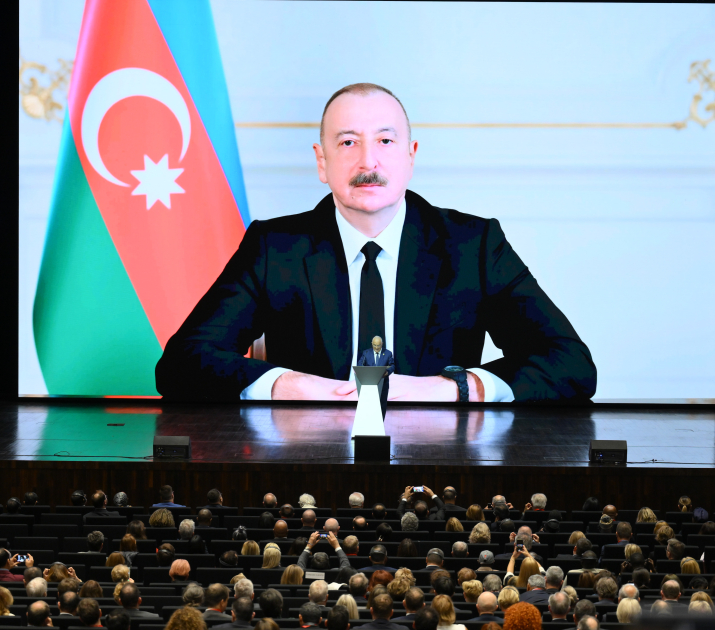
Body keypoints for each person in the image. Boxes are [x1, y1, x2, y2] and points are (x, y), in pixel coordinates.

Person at [156, 82, 596, 402]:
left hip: (441, 474)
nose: (369, 161)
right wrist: (288, 384)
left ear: (411, 155)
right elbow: (180, 364)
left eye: (386, 141)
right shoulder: (275, 247)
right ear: (322, 161)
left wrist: (451, 389)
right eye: (348, 142)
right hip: (309, 471)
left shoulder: (473, 245)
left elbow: (571, 364)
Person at [358, 335, 394, 416]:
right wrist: (363, 371)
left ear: (382, 344)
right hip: (369, 384)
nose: (376, 347)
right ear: (372, 344)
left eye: (378, 345)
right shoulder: (366, 353)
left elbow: (392, 365)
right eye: (374, 345)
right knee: (370, 405)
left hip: (383, 383)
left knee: (382, 405)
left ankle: (381, 424)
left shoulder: (388, 353)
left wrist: (387, 372)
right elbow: (360, 364)